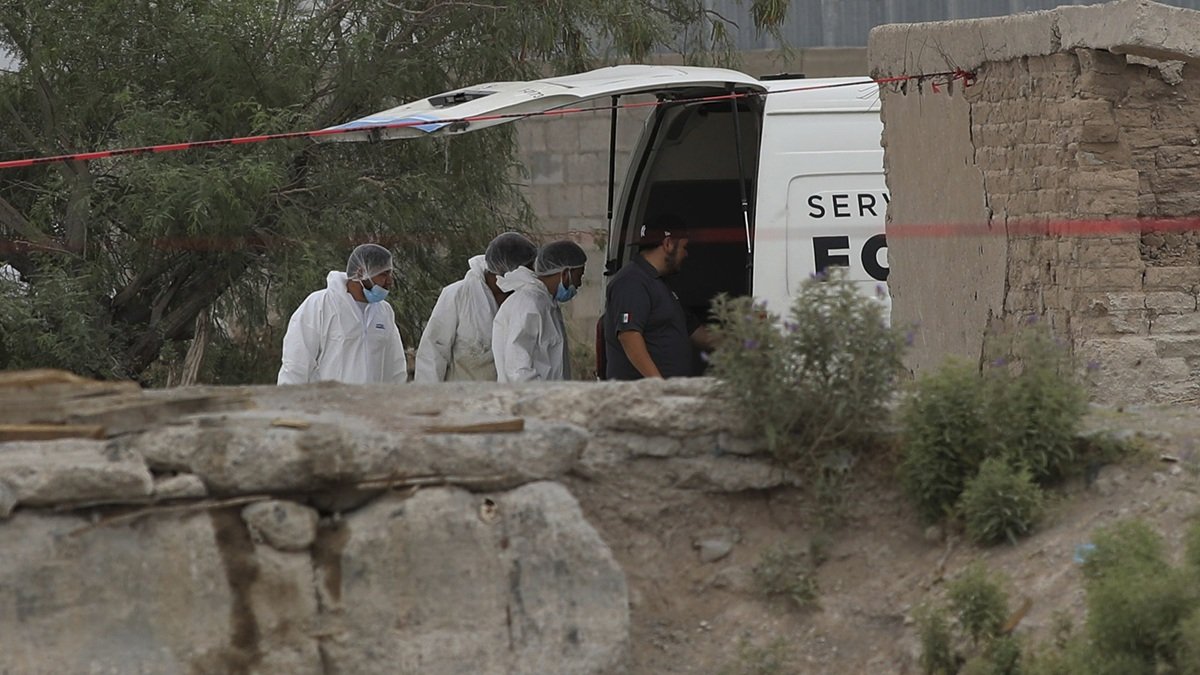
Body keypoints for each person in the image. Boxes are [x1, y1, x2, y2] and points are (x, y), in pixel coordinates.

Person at [414, 232, 538, 382]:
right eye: (526, 270)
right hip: (461, 399)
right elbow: (433, 352)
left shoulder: (522, 299)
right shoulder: (458, 295)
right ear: (506, 270)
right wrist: (430, 401)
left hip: (506, 399)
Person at [277, 243, 408, 385]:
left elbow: (395, 366)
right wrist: (289, 403)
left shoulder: (384, 311)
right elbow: (296, 365)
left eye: (390, 274)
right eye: (383, 274)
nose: (389, 281)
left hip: (371, 404)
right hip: (329, 404)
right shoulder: (320, 305)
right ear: (360, 273)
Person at [604, 214, 714, 380]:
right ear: (668, 244)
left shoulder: (661, 285)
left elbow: (696, 332)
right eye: (684, 247)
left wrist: (745, 343)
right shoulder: (632, 282)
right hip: (643, 397)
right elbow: (629, 336)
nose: (686, 254)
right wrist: (658, 384)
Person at [492, 239, 587, 382]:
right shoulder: (529, 304)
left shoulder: (545, 303)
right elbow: (518, 369)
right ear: (566, 273)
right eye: (579, 276)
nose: (579, 283)